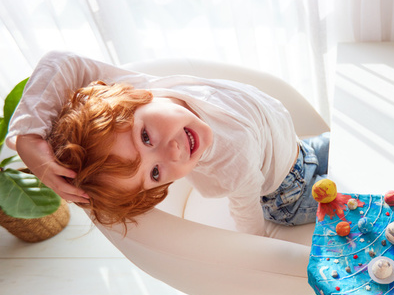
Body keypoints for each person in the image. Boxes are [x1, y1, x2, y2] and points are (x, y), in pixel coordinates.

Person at [6, 51, 329, 237]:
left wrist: (28, 137)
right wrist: (258, 249)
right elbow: (245, 210)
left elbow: (61, 62)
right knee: (368, 202)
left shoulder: (137, 87)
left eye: (145, 137)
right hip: (291, 197)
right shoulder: (232, 157)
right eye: (157, 173)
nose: (172, 153)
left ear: (131, 97)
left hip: (301, 149)